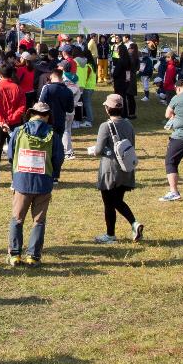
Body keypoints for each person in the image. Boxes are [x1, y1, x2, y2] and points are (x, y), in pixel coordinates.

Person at [6, 100, 66, 266]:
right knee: (38, 221)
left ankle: (14, 255)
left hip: (22, 182)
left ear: (31, 114)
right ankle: (33, 256)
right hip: (43, 182)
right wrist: (53, 174)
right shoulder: (53, 135)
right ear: (47, 116)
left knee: (17, 219)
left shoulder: (18, 132)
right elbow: (58, 158)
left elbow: (11, 156)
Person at [87, 94, 143, 243]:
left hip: (110, 170)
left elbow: (98, 150)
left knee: (109, 204)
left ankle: (111, 235)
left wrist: (96, 150)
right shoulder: (129, 125)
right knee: (118, 201)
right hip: (126, 168)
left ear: (107, 109)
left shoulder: (105, 126)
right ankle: (133, 224)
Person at [0, 63, 27, 189]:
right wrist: (11, 120)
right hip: (14, 124)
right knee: (14, 153)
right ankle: (14, 181)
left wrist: (2, 121)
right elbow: (22, 107)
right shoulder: (18, 88)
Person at [39, 68, 76, 160]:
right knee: (58, 143)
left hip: (47, 120)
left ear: (52, 76)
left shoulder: (47, 88)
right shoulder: (68, 91)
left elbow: (40, 104)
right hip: (60, 121)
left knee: (46, 144)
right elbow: (70, 109)